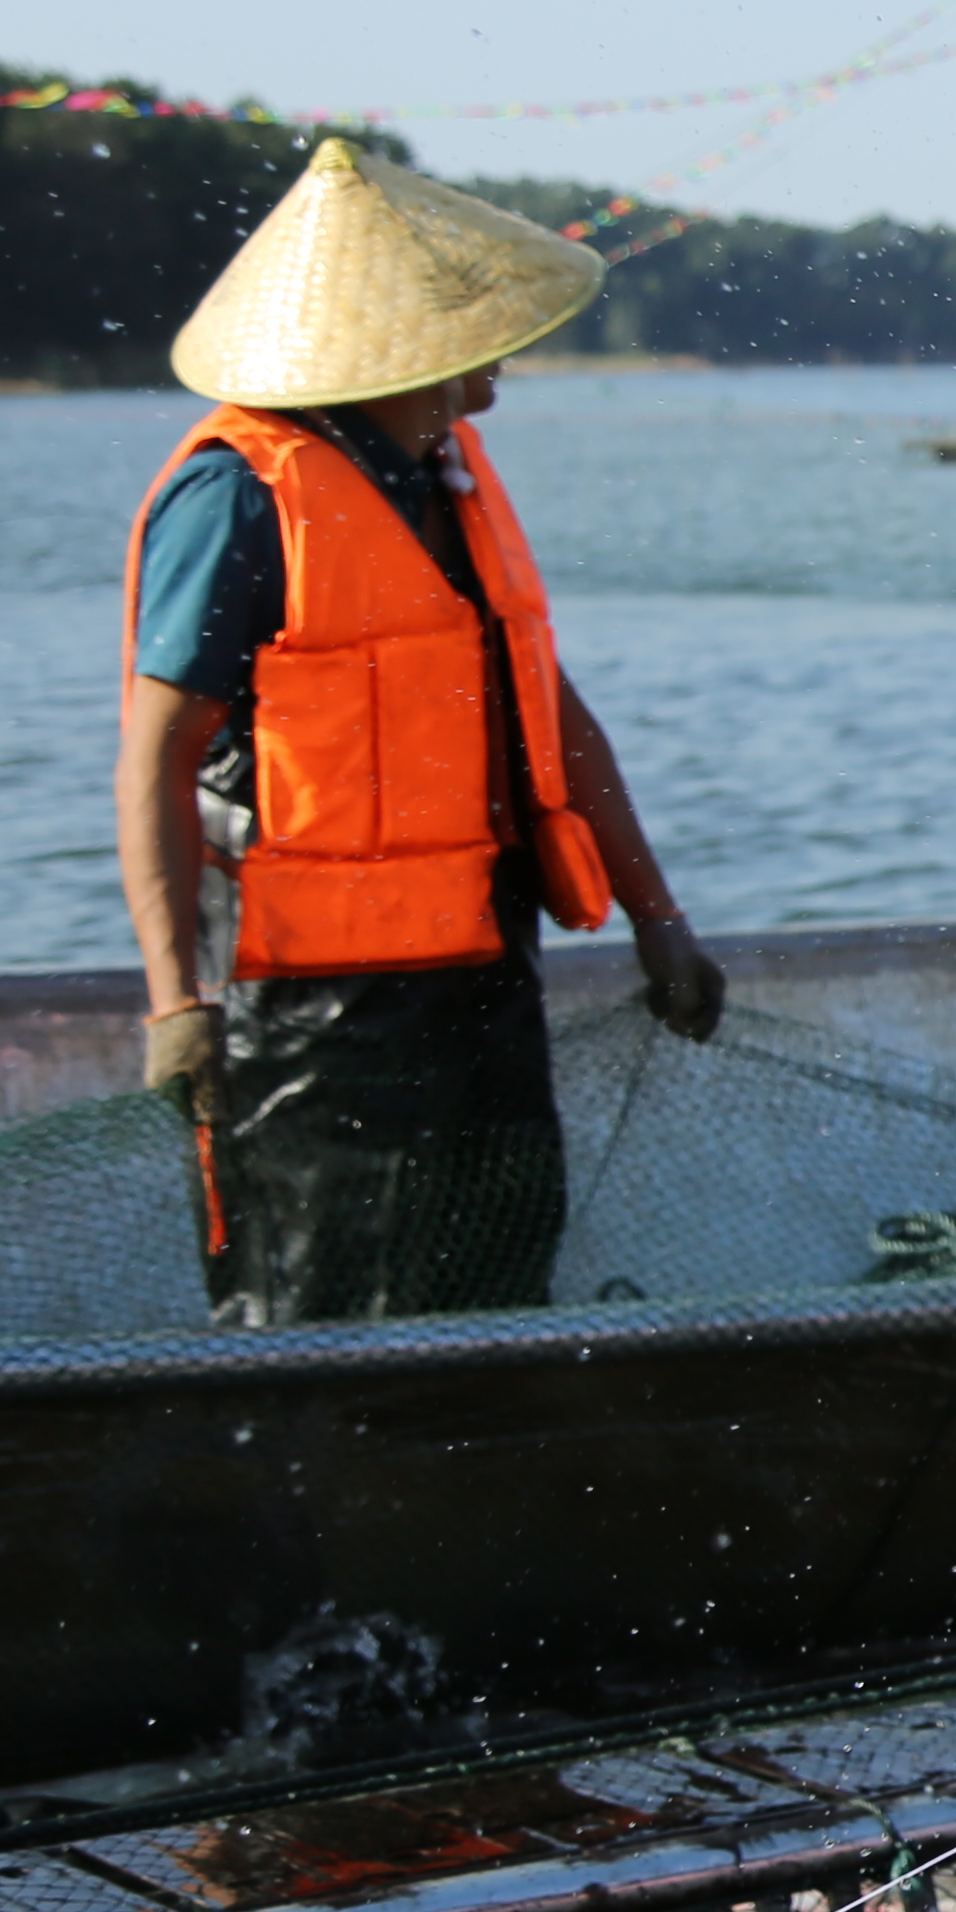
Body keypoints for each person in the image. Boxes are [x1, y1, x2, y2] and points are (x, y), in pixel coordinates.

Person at [117, 140, 725, 1323]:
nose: (491, 375)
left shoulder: (445, 471)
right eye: (466, 348)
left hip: (481, 974)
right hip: (305, 1014)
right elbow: (156, 757)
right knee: (325, 1302)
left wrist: (659, 918)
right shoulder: (240, 492)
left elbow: (553, 714)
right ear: (389, 354)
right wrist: (175, 1006)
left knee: (495, 1274)